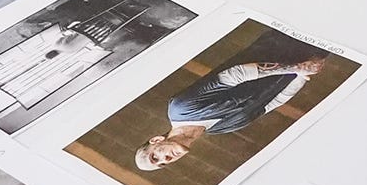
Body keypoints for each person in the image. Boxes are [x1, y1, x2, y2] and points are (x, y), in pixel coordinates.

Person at [133, 53, 327, 171]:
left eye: (155, 157)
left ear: (156, 140)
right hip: (310, 62)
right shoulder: (221, 129)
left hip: (283, 46)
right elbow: (272, 104)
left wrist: (297, 67)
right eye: (163, 164)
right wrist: (302, 76)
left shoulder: (180, 109)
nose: (166, 159)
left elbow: (236, 74)